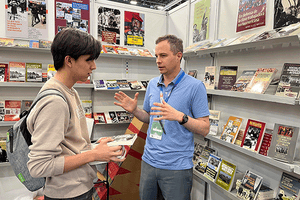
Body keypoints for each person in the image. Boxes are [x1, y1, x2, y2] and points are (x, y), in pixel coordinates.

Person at [27, 28, 125, 200]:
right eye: (88, 60)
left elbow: (68, 146)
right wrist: (93, 154)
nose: (93, 66)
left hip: (79, 187)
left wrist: (94, 147)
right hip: (67, 194)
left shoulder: (70, 91)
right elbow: (39, 166)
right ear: (69, 61)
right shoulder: (55, 101)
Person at [114, 34, 210, 200]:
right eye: (156, 56)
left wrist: (181, 117)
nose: (158, 60)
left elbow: (205, 128)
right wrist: (135, 110)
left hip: (177, 167)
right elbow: (149, 117)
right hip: (149, 162)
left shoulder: (195, 87)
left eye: (163, 56)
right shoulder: (152, 84)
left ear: (179, 56)